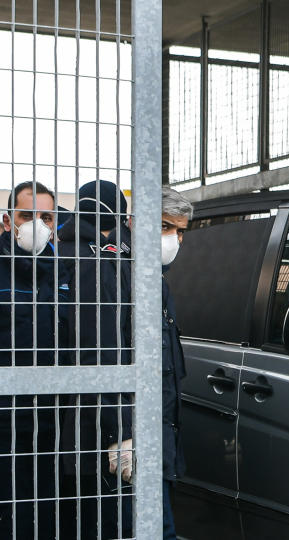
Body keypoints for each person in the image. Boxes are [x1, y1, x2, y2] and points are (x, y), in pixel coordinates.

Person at [58, 179, 133, 539]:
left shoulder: (105, 252)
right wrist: (120, 431)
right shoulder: (92, 259)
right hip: (100, 417)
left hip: (92, 410)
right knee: (105, 519)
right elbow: (99, 348)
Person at [0, 180, 66, 539]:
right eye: (28, 216)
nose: (38, 225)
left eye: (47, 217)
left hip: (56, 417)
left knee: (52, 512)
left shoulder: (66, 269)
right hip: (6, 419)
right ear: (9, 221)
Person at [159, 187, 192, 540]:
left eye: (181, 231)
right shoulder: (122, 273)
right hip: (141, 437)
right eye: (167, 227)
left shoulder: (160, 282)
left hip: (163, 434)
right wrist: (121, 433)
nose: (175, 239)